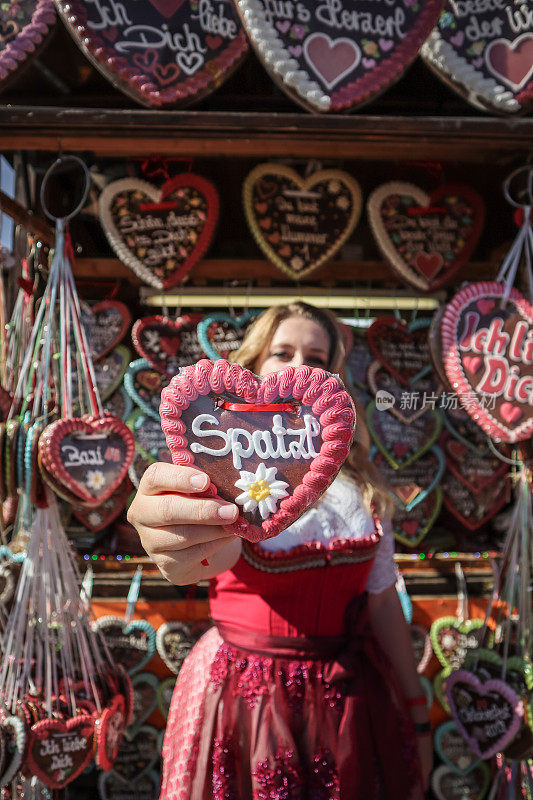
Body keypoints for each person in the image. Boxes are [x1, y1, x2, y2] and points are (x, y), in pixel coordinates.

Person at [128, 302, 433, 799]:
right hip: (244, 699)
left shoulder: (363, 487)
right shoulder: (223, 476)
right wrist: (176, 543)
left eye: (315, 358)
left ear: (332, 378)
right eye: (282, 353)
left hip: (350, 697)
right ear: (253, 370)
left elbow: (381, 600)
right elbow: (211, 556)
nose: (298, 369)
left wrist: (415, 703)